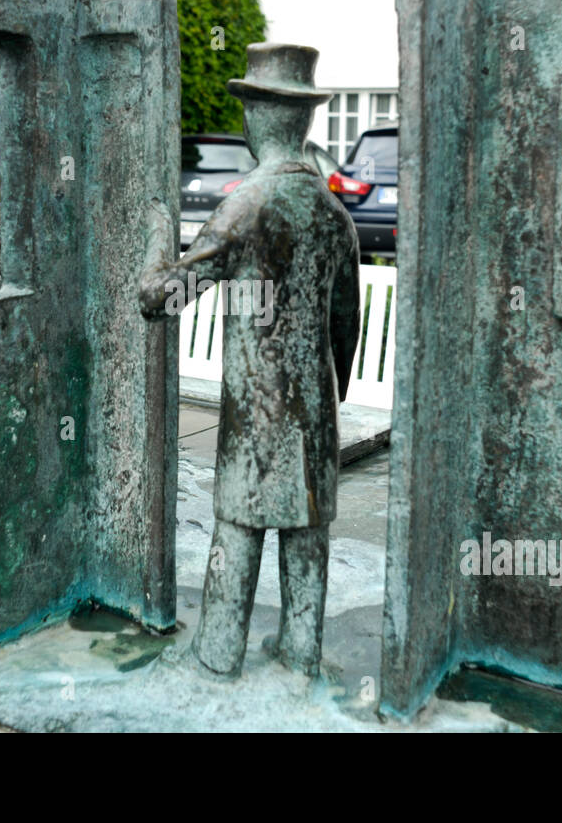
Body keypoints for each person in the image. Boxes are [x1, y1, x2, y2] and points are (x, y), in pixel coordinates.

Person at [139, 43, 361, 679]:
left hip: (256, 413)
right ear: (305, 121)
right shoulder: (331, 210)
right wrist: (330, 400)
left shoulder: (244, 206)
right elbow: (343, 325)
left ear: (256, 119)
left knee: (238, 528)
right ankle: (300, 654)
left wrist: (160, 232)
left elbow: (160, 298)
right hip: (314, 410)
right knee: (306, 533)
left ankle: (219, 653)